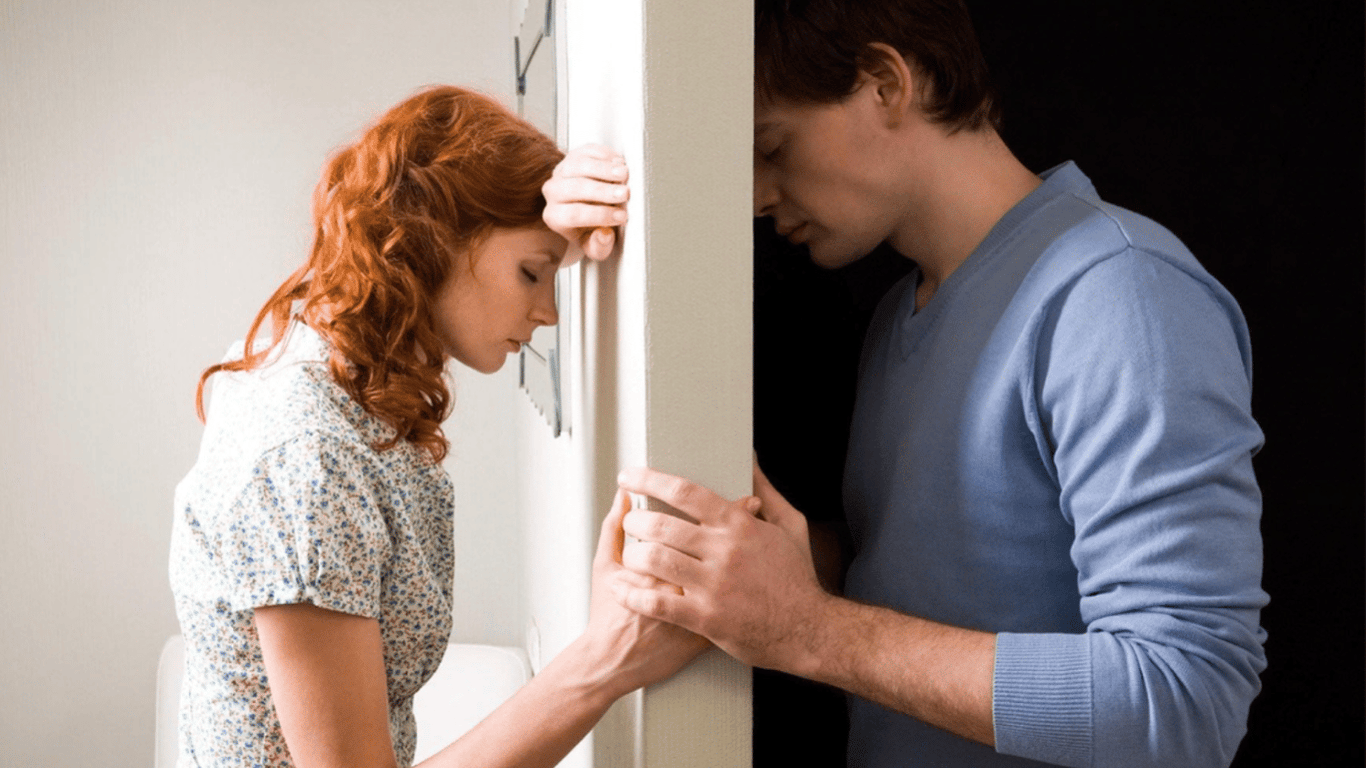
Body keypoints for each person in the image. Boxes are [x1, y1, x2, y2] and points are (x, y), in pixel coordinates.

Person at [547, 1, 1269, 766]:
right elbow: (937, 582)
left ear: (886, 84)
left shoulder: (1118, 293)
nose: (756, 195)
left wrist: (806, 629)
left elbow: (1184, 700)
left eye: (772, 146)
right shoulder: (903, 313)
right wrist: (764, 571)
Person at [168, 85, 707, 768]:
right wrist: (603, 661)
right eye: (533, 273)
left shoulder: (316, 362)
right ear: (435, 239)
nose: (549, 312)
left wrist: (564, 202)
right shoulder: (308, 458)